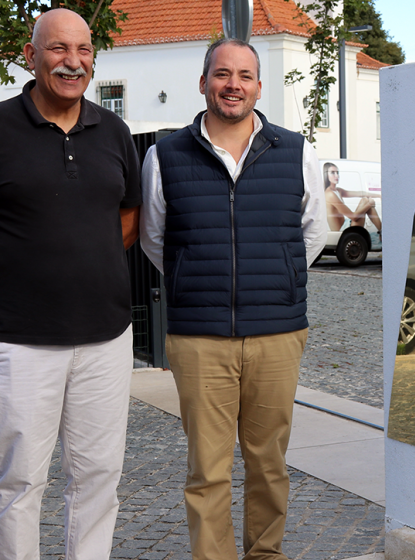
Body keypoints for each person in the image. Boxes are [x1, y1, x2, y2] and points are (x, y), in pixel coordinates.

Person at [0, 8, 141, 559]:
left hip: (106, 340)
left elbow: (126, 219)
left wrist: (82, 272)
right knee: (19, 484)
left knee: (98, 478)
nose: (73, 62)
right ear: (31, 55)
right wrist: (7, 282)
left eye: (84, 51)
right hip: (19, 343)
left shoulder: (115, 132)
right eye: (58, 49)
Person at [138, 38, 326, 560]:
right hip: (199, 338)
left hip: (277, 334)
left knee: (268, 464)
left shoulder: (295, 150)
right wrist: (194, 278)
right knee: (208, 470)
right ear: (203, 83)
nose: (233, 85)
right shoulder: (166, 155)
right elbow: (156, 239)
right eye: (222, 74)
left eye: (244, 75)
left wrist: (279, 279)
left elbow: (313, 232)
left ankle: (266, 555)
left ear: (259, 87)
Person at [323, 162, 381, 233]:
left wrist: (379, 195)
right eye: (332, 173)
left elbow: (359, 193)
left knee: (364, 200)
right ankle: (382, 232)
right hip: (342, 231)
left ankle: (382, 231)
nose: (337, 176)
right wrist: (369, 204)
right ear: (326, 175)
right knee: (366, 202)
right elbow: (354, 217)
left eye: (337, 172)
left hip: (346, 224)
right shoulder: (330, 194)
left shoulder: (338, 190)